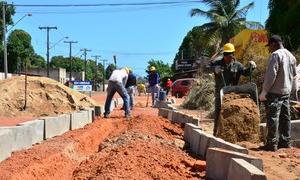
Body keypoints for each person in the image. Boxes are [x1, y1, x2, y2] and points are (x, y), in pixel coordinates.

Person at [259, 35, 297, 151]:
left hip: (275, 93)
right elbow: (294, 76)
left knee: (273, 117)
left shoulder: (276, 55)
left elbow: (271, 75)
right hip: (286, 92)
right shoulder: (291, 56)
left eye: (269, 46)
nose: (269, 49)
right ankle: (285, 142)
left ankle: (272, 144)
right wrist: (293, 90)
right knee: (286, 117)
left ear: (273, 44)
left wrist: (264, 91)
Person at [210, 43, 256, 136]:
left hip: (233, 93)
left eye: (230, 54)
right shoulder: (218, 63)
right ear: (224, 54)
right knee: (219, 112)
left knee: (233, 113)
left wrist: (252, 67)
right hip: (221, 92)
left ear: (233, 54)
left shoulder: (237, 65)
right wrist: (214, 69)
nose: (228, 56)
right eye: (226, 54)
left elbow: (245, 72)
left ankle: (231, 134)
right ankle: (216, 133)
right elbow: (207, 67)